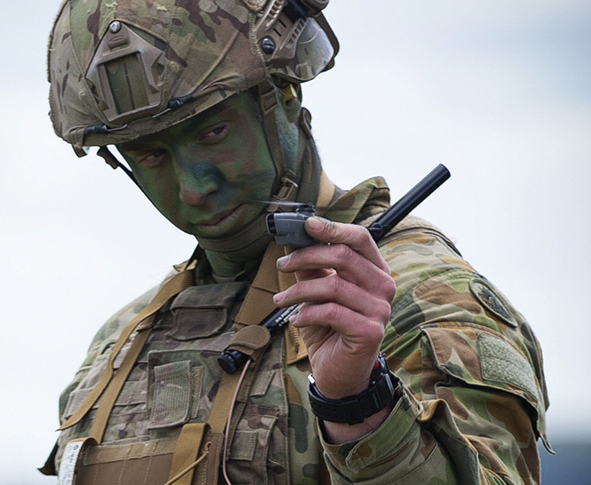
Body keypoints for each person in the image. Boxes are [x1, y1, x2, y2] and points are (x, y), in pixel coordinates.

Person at [39, 0, 551, 483]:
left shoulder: (420, 299)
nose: (195, 187)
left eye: (213, 132)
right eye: (150, 156)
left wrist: (357, 405)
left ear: (285, 95)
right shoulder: (121, 342)